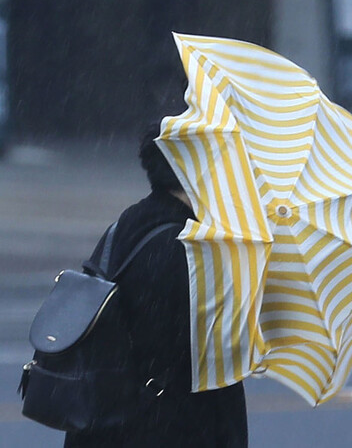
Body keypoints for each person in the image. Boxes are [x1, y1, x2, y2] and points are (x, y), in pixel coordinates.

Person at [64, 124, 247, 447]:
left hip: (103, 423)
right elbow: (208, 371)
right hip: (163, 430)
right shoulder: (188, 252)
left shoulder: (127, 225)